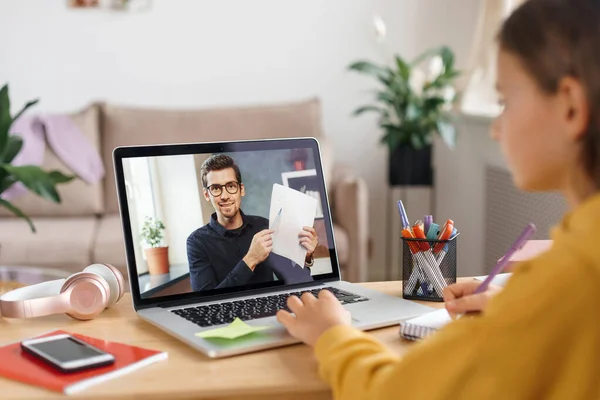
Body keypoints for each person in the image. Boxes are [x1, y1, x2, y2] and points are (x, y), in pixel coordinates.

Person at [275, 0, 600, 398]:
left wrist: (332, 334)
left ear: (570, 105)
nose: (496, 129)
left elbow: (393, 392)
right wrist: (518, 305)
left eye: (504, 102)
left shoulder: (566, 282)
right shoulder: (564, 280)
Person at [186, 154, 319, 292]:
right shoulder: (197, 242)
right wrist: (251, 259)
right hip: (227, 312)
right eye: (215, 188)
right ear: (207, 194)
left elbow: (296, 279)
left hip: (268, 307)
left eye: (231, 186)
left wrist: (306, 255)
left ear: (241, 189)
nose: (225, 196)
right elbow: (206, 301)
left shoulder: (263, 227)